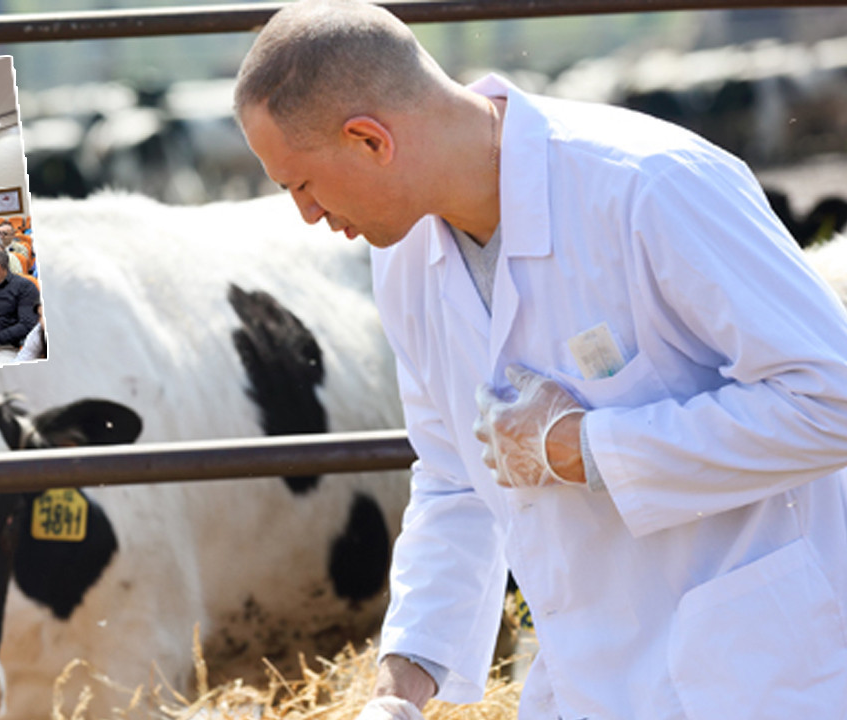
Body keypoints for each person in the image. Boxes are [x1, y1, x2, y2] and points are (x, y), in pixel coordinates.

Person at [234, 2, 847, 719]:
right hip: (584, 678)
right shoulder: (403, 259)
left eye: (300, 185)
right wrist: (402, 686)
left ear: (369, 140)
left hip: (758, 672)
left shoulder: (649, 185)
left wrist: (586, 447)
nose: (306, 215)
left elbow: (830, 398)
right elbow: (456, 476)